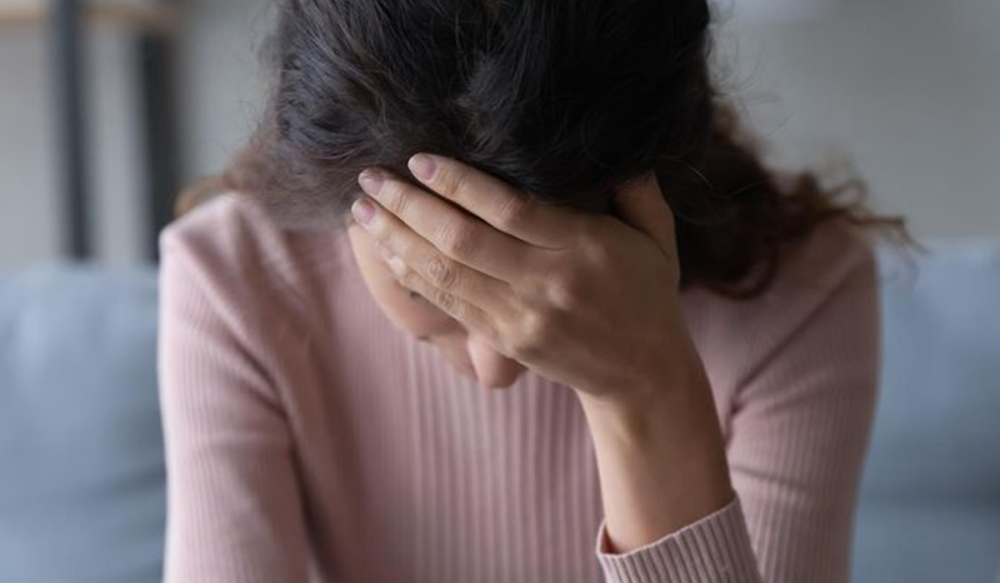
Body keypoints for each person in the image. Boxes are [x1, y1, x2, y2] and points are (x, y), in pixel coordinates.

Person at [158, 1, 918, 582]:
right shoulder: (235, 280)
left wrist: (647, 391)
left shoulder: (804, 292)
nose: (499, 366)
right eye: (431, 292)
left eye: (561, 276)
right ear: (333, 196)